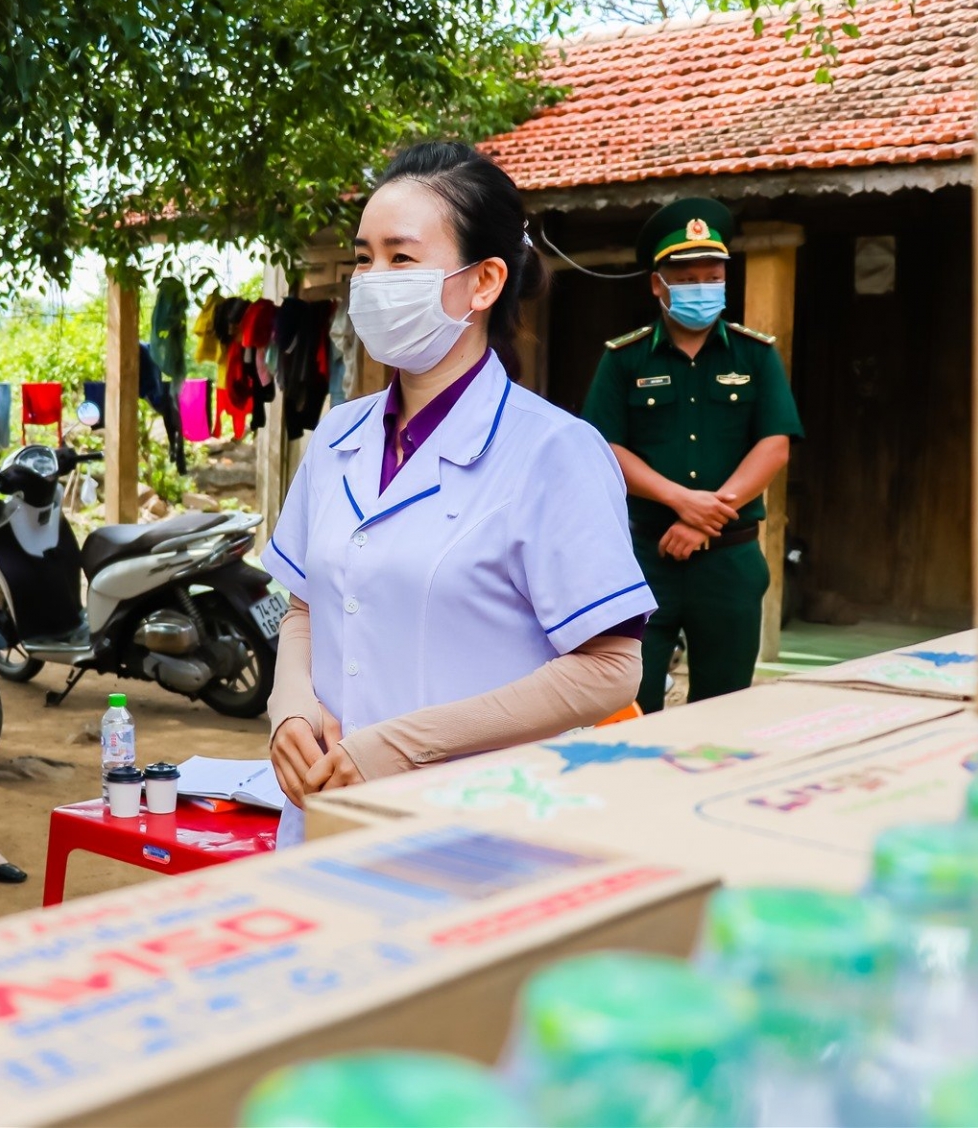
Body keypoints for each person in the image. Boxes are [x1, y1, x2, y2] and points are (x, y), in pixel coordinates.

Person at [263, 142, 654, 845]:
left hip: (475, 832)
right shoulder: (337, 438)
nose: (373, 280)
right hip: (323, 823)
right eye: (363, 257)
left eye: (401, 258)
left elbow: (610, 671)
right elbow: (304, 608)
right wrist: (289, 709)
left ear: (484, 283)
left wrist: (405, 744)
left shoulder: (554, 452)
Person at [579, 198, 803, 712]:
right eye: (687, 277)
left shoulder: (756, 355)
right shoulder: (624, 359)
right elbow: (604, 448)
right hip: (643, 559)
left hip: (730, 560)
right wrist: (682, 501)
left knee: (723, 708)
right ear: (658, 284)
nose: (702, 286)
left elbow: (775, 444)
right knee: (628, 703)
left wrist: (705, 519)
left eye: (712, 275)